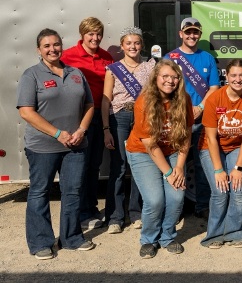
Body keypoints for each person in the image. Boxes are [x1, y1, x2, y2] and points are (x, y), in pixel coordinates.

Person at [17, 28, 96, 260]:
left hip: (75, 145)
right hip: (42, 147)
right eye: (47, 46)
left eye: (56, 44)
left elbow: (89, 104)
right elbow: (26, 112)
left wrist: (81, 130)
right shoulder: (31, 75)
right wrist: (58, 133)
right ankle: (41, 242)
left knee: (72, 192)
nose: (53, 49)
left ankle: (71, 238)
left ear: (62, 45)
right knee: (39, 192)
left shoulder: (75, 73)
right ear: (39, 50)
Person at [125, 59, 193, 259]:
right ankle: (149, 239)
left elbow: (186, 135)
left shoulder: (185, 99)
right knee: (155, 200)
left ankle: (168, 236)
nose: (170, 81)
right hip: (143, 152)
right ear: (156, 78)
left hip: (172, 151)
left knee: (176, 196)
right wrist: (170, 173)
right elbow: (150, 144)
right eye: (165, 76)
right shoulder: (144, 101)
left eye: (174, 77)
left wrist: (179, 167)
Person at [200, 59, 242, 249]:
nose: (238, 79)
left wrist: (238, 168)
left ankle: (237, 232)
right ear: (227, 76)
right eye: (233, 75)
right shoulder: (214, 99)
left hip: (236, 147)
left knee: (238, 188)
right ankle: (214, 234)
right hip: (211, 148)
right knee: (220, 191)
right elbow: (210, 139)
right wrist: (219, 170)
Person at [101, 26, 156, 233]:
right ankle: (115, 216)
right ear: (122, 46)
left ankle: (136, 213)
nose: (133, 47)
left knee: (140, 166)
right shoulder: (113, 69)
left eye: (137, 43)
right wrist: (106, 128)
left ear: (141, 45)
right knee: (119, 166)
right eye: (129, 43)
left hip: (143, 117)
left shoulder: (151, 67)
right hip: (120, 118)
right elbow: (106, 101)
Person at [61, 17, 113, 230]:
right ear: (82, 35)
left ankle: (90, 209)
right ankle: (81, 212)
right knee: (79, 166)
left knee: (94, 166)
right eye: (91, 34)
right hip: (79, 118)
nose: (95, 38)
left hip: (100, 117)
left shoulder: (106, 57)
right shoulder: (68, 57)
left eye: (98, 33)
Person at [166, 17, 220, 219]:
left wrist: (200, 107)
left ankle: (202, 206)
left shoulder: (207, 58)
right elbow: (163, 88)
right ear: (181, 34)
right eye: (187, 32)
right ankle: (175, 209)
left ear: (200, 34)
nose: (191, 35)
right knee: (174, 163)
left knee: (202, 164)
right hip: (176, 119)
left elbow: (214, 87)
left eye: (195, 32)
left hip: (201, 119)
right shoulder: (170, 58)